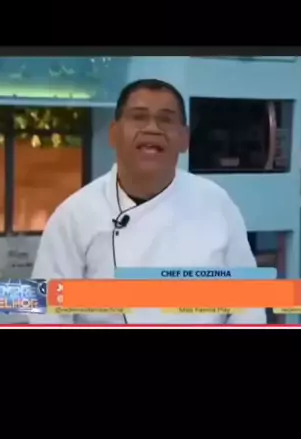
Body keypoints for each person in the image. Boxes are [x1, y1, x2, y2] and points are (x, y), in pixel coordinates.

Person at [30, 79, 266, 325]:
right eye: (139, 117)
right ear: (114, 133)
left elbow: (249, 303)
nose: (153, 128)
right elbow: (46, 314)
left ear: (184, 138)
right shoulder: (74, 215)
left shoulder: (217, 203)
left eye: (166, 119)